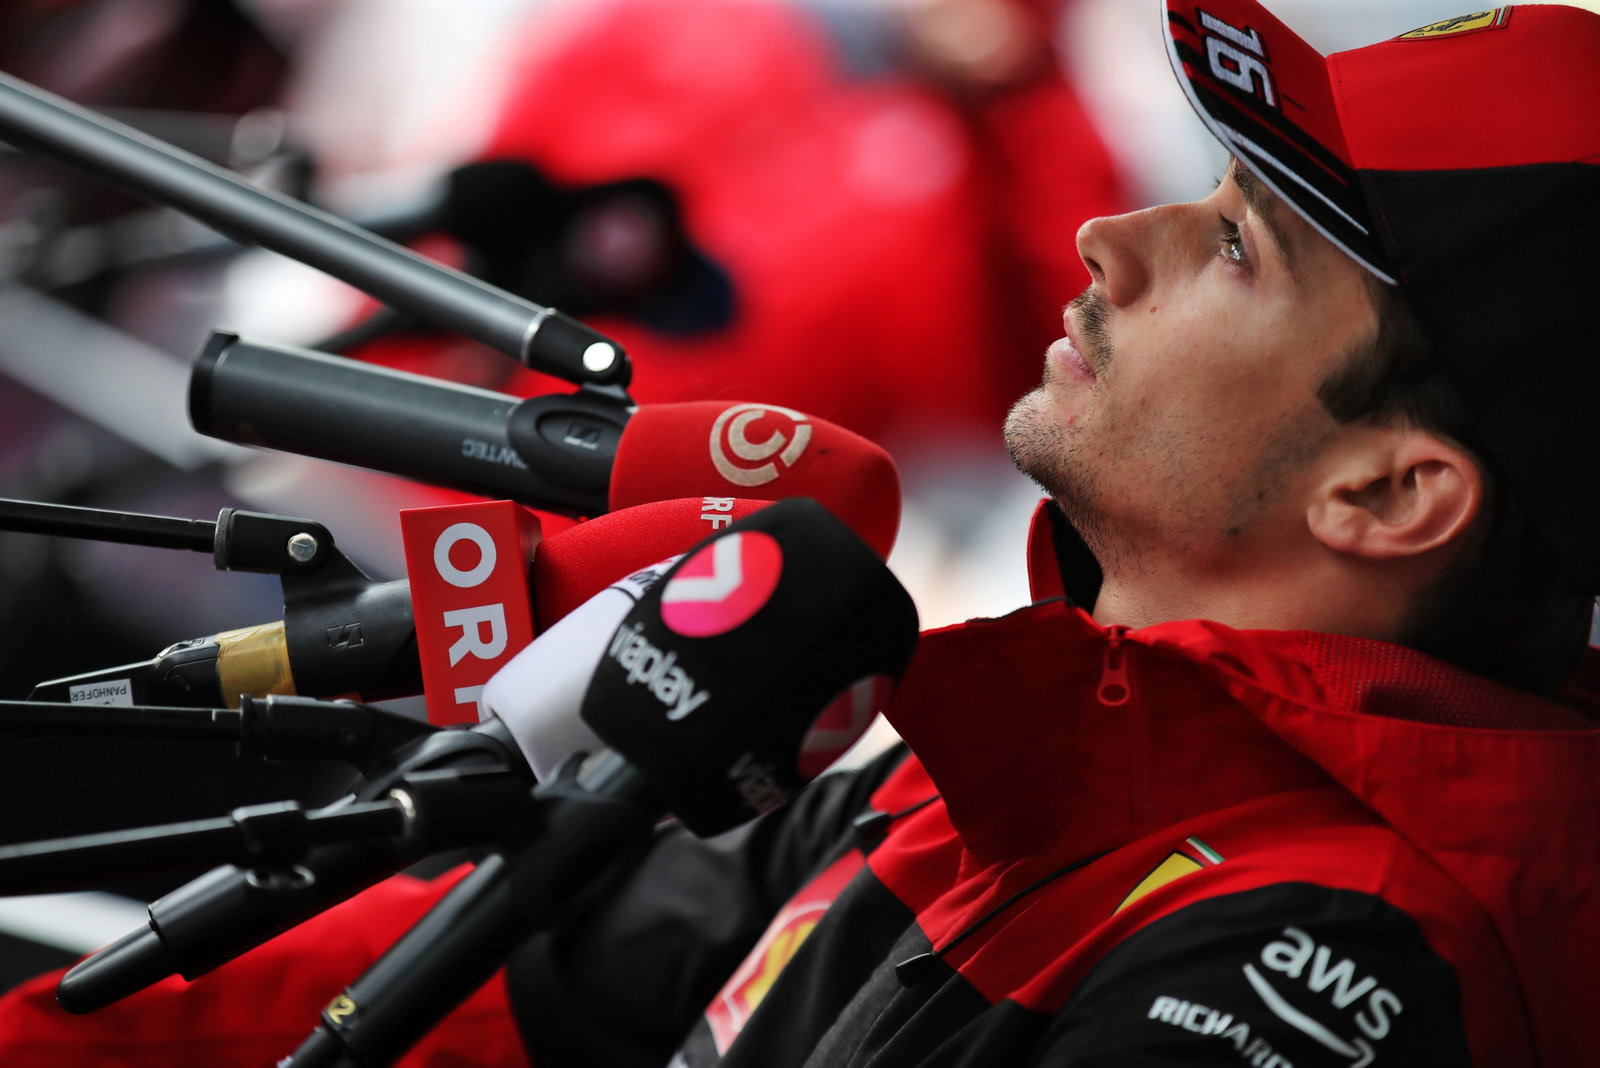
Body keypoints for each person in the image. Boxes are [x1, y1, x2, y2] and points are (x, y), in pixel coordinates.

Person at [0, 1, 1596, 1065]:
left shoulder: (1341, 960)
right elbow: (487, 989)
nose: (1117, 239)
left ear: (1389, 495)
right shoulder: (1029, 753)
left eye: (1239, 248)